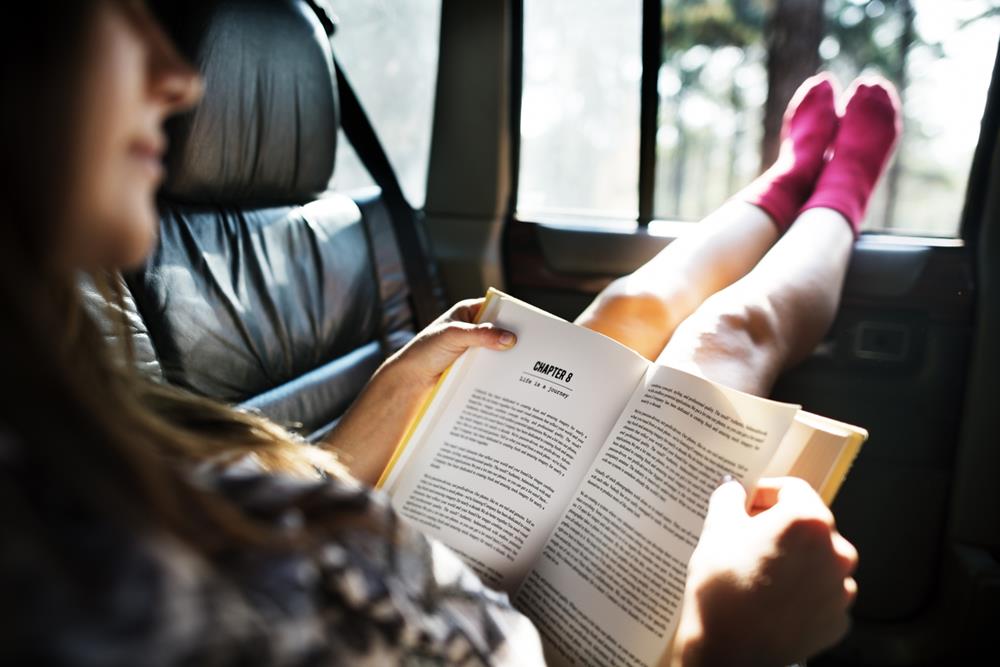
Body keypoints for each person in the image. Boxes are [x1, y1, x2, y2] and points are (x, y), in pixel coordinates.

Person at [0, 1, 898, 664]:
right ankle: (836, 197)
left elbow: (236, 520)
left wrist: (376, 408)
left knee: (627, 309)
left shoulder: (76, 423)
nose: (183, 78)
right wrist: (724, 646)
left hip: (448, 548)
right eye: (111, 17)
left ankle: (782, 187)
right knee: (727, 340)